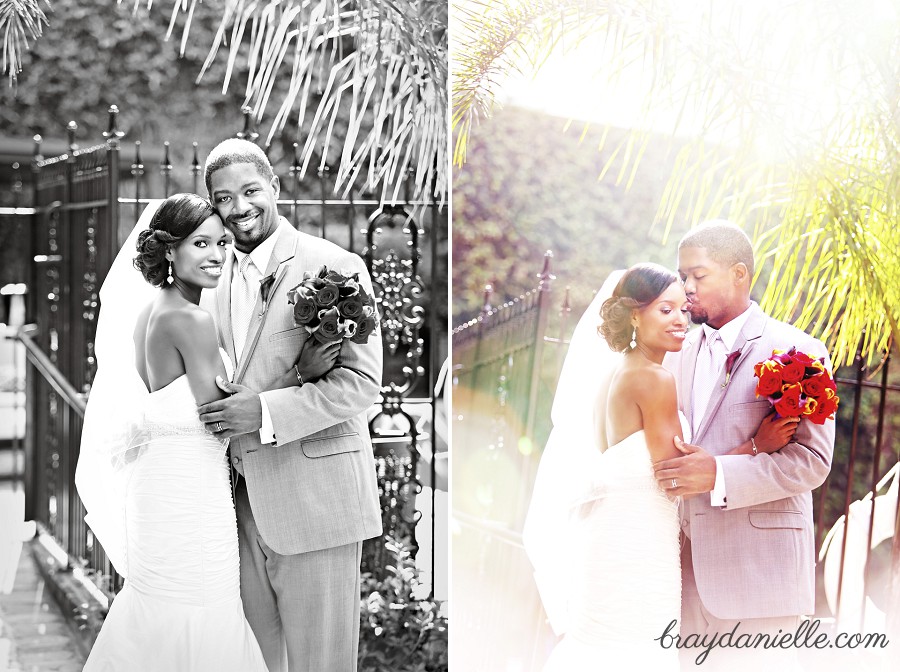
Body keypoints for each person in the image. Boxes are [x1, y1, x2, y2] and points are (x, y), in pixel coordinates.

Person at [76, 193, 337, 671]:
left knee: (160, 613)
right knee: (202, 613)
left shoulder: (149, 313)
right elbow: (221, 416)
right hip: (190, 500)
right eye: (200, 243)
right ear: (169, 251)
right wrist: (301, 373)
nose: (217, 254)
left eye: (222, 242)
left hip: (158, 490)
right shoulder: (191, 320)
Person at [524, 263, 797, 671]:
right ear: (635, 315)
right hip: (638, 548)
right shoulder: (653, 379)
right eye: (664, 310)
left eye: (682, 311)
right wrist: (758, 444)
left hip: (609, 537)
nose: (679, 320)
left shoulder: (613, 374)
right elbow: (676, 476)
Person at [196, 139, 383, 672]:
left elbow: (360, 383)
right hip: (235, 504)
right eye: (224, 197)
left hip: (315, 503)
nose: (240, 207)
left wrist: (267, 413)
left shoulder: (334, 264)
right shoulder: (214, 275)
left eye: (250, 190)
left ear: (274, 186)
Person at [654, 220, 835, 671]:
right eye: (683, 277)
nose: (686, 288)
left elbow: (810, 462)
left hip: (759, 576)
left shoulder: (798, 349)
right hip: (677, 574)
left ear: (739, 274)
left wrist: (719, 474)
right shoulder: (674, 353)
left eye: (699, 275)